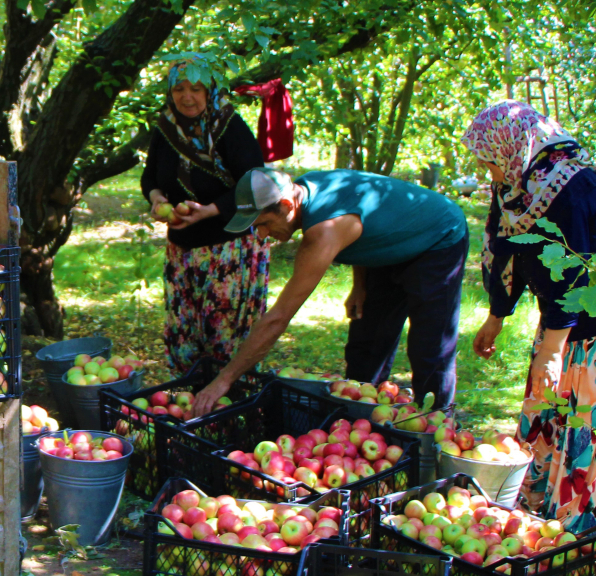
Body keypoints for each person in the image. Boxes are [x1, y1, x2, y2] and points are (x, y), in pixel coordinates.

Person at [465, 100, 596, 527]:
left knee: (582, 434)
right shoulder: (518, 184)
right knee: (543, 421)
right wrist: (498, 313)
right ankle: (528, 523)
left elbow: (571, 274)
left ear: (512, 149)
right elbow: (506, 248)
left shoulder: (572, 186)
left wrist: (551, 350)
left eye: (488, 161)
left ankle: (569, 536)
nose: (487, 171)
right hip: (560, 326)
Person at [190, 167, 470, 416]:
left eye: (263, 223)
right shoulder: (305, 189)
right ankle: (363, 424)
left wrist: (224, 379)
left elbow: (278, 318)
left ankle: (436, 436)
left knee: (429, 349)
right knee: (366, 346)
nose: (261, 234)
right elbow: (366, 216)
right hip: (392, 245)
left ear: (287, 204)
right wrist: (360, 285)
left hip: (438, 237)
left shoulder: (323, 230)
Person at [141, 64, 272, 373]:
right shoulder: (166, 128)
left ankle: (231, 410)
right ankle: (190, 412)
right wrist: (157, 197)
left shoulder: (229, 127)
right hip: (182, 253)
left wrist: (209, 210)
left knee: (225, 342)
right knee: (184, 341)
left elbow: (256, 183)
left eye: (195, 89)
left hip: (228, 251)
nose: (187, 97)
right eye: (178, 89)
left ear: (210, 91)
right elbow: (150, 177)